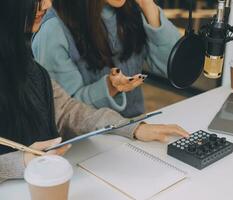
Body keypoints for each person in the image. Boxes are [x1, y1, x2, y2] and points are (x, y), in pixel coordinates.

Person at [0, 0, 189, 183]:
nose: (48, 4)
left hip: (67, 166)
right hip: (46, 174)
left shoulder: (23, 60)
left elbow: (66, 110)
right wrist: (21, 162)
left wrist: (132, 126)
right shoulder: (52, 28)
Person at [32, 0, 181, 117]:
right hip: (87, 146)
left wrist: (147, 4)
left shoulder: (132, 10)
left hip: (136, 132)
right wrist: (110, 88)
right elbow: (65, 111)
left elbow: (177, 68)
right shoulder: (53, 28)